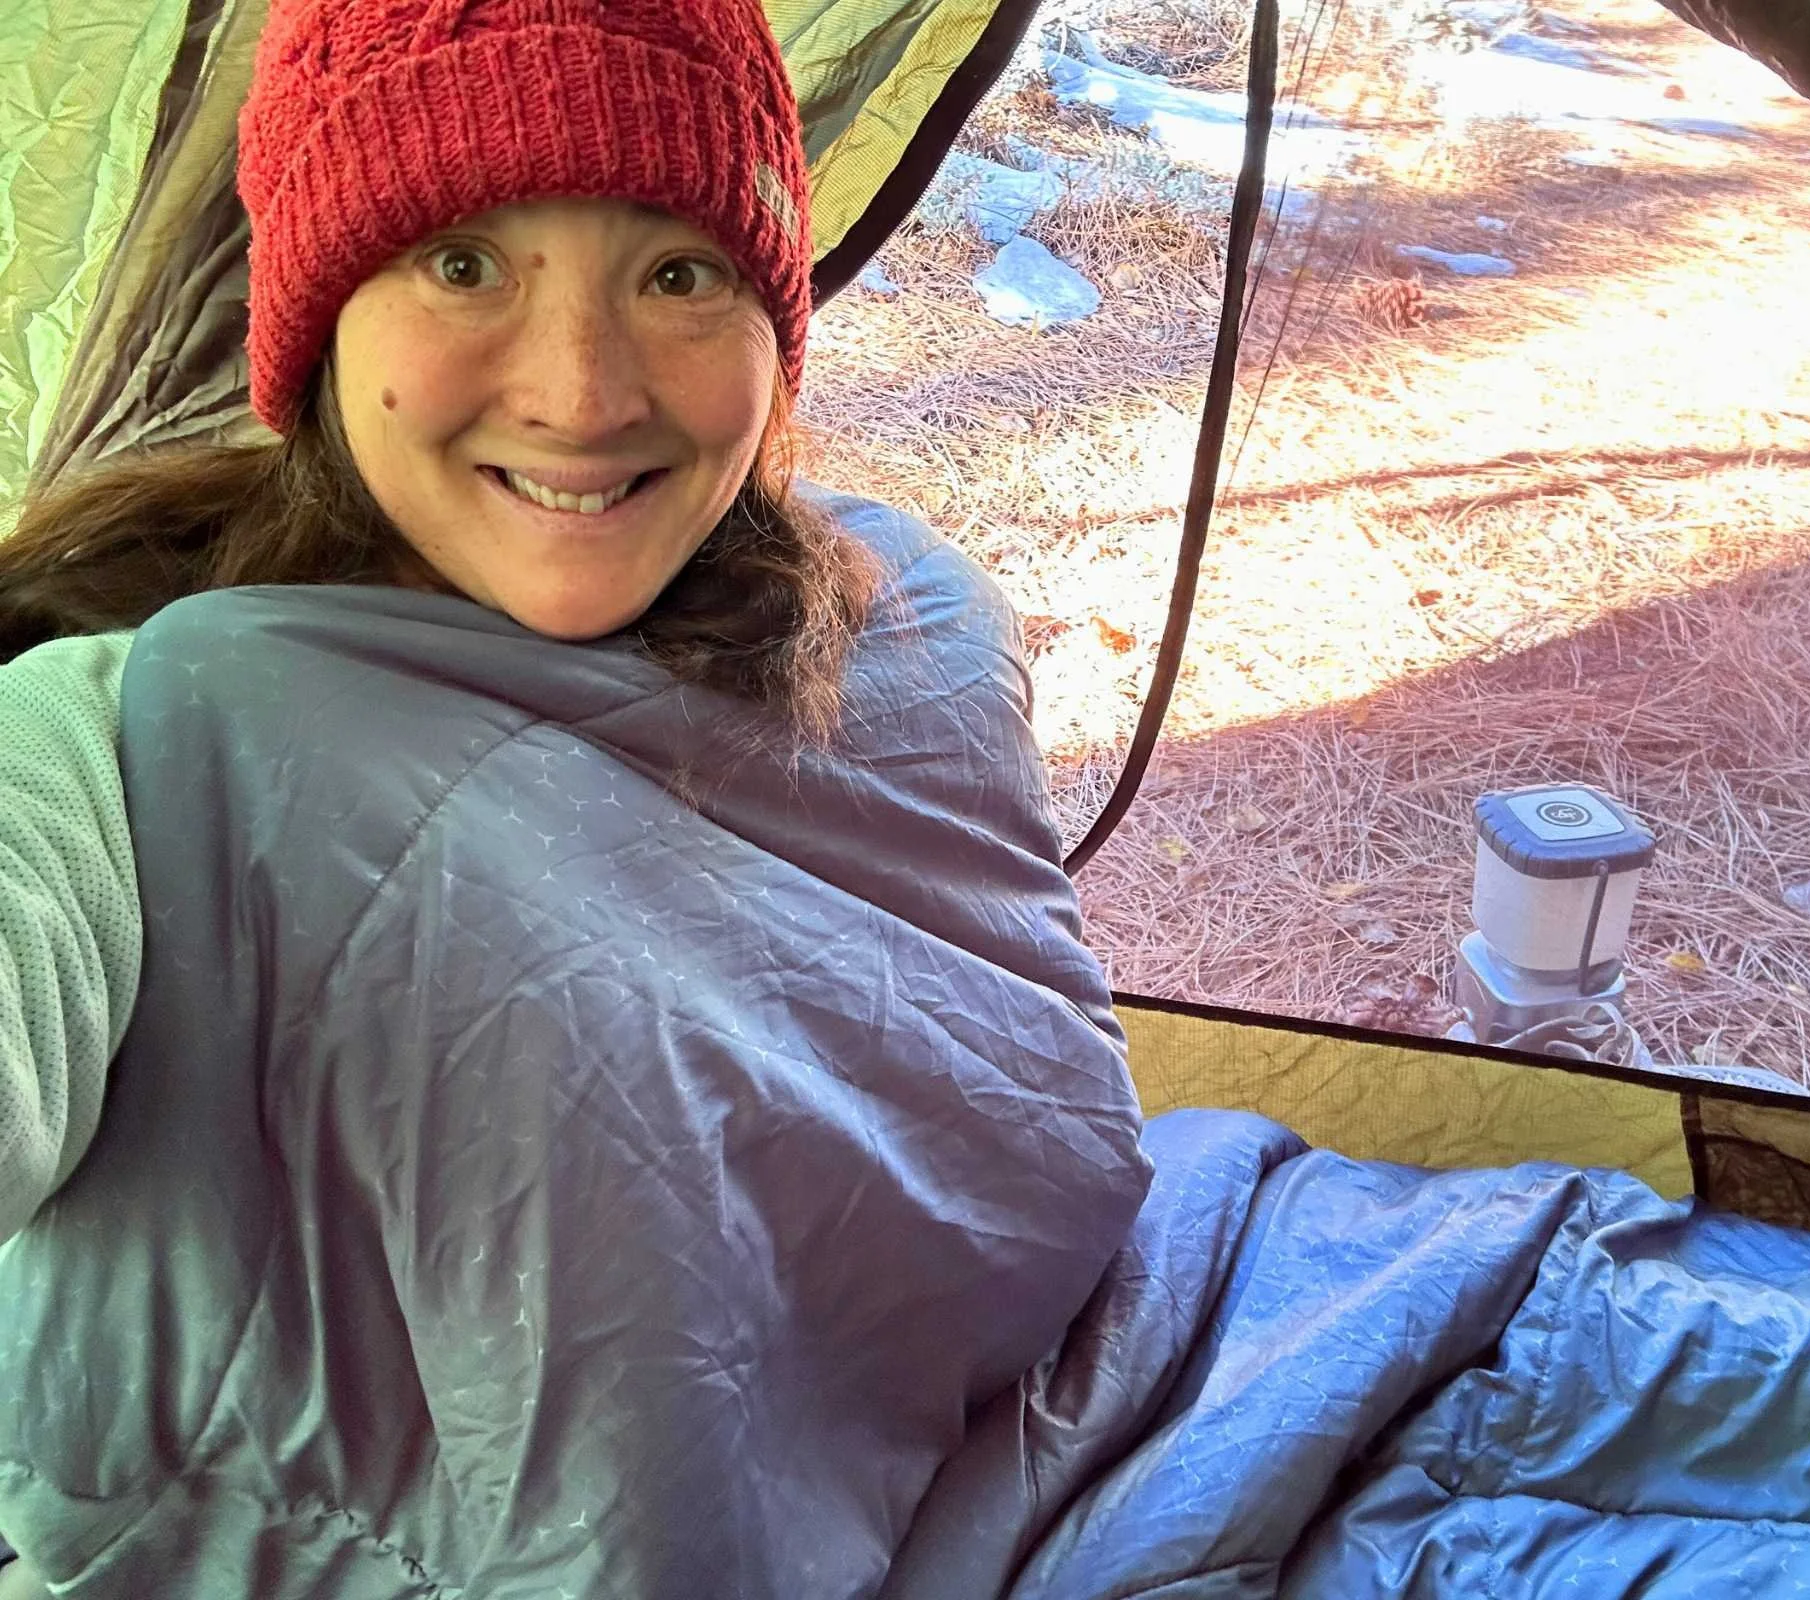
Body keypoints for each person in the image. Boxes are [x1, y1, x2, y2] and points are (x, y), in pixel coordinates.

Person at [0, 1, 1149, 1593]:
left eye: (678, 271)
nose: (583, 394)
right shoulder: (115, 716)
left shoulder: (904, 629)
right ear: (322, 318)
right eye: (464, 262)